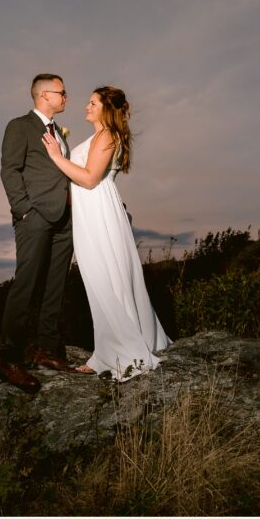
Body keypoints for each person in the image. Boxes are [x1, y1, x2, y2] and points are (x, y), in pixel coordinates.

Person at [43, 86, 172, 381]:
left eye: (92, 103)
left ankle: (124, 352)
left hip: (99, 213)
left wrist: (55, 155)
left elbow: (89, 180)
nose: (86, 106)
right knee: (100, 280)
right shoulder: (98, 136)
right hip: (90, 213)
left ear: (105, 108)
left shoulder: (107, 136)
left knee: (104, 278)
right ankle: (106, 351)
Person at [0, 74, 75, 393]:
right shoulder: (19, 126)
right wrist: (24, 209)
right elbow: (9, 170)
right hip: (35, 217)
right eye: (62, 93)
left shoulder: (60, 133)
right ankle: (8, 358)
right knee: (26, 285)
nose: (67, 98)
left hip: (65, 221)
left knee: (55, 285)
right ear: (45, 95)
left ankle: (46, 348)